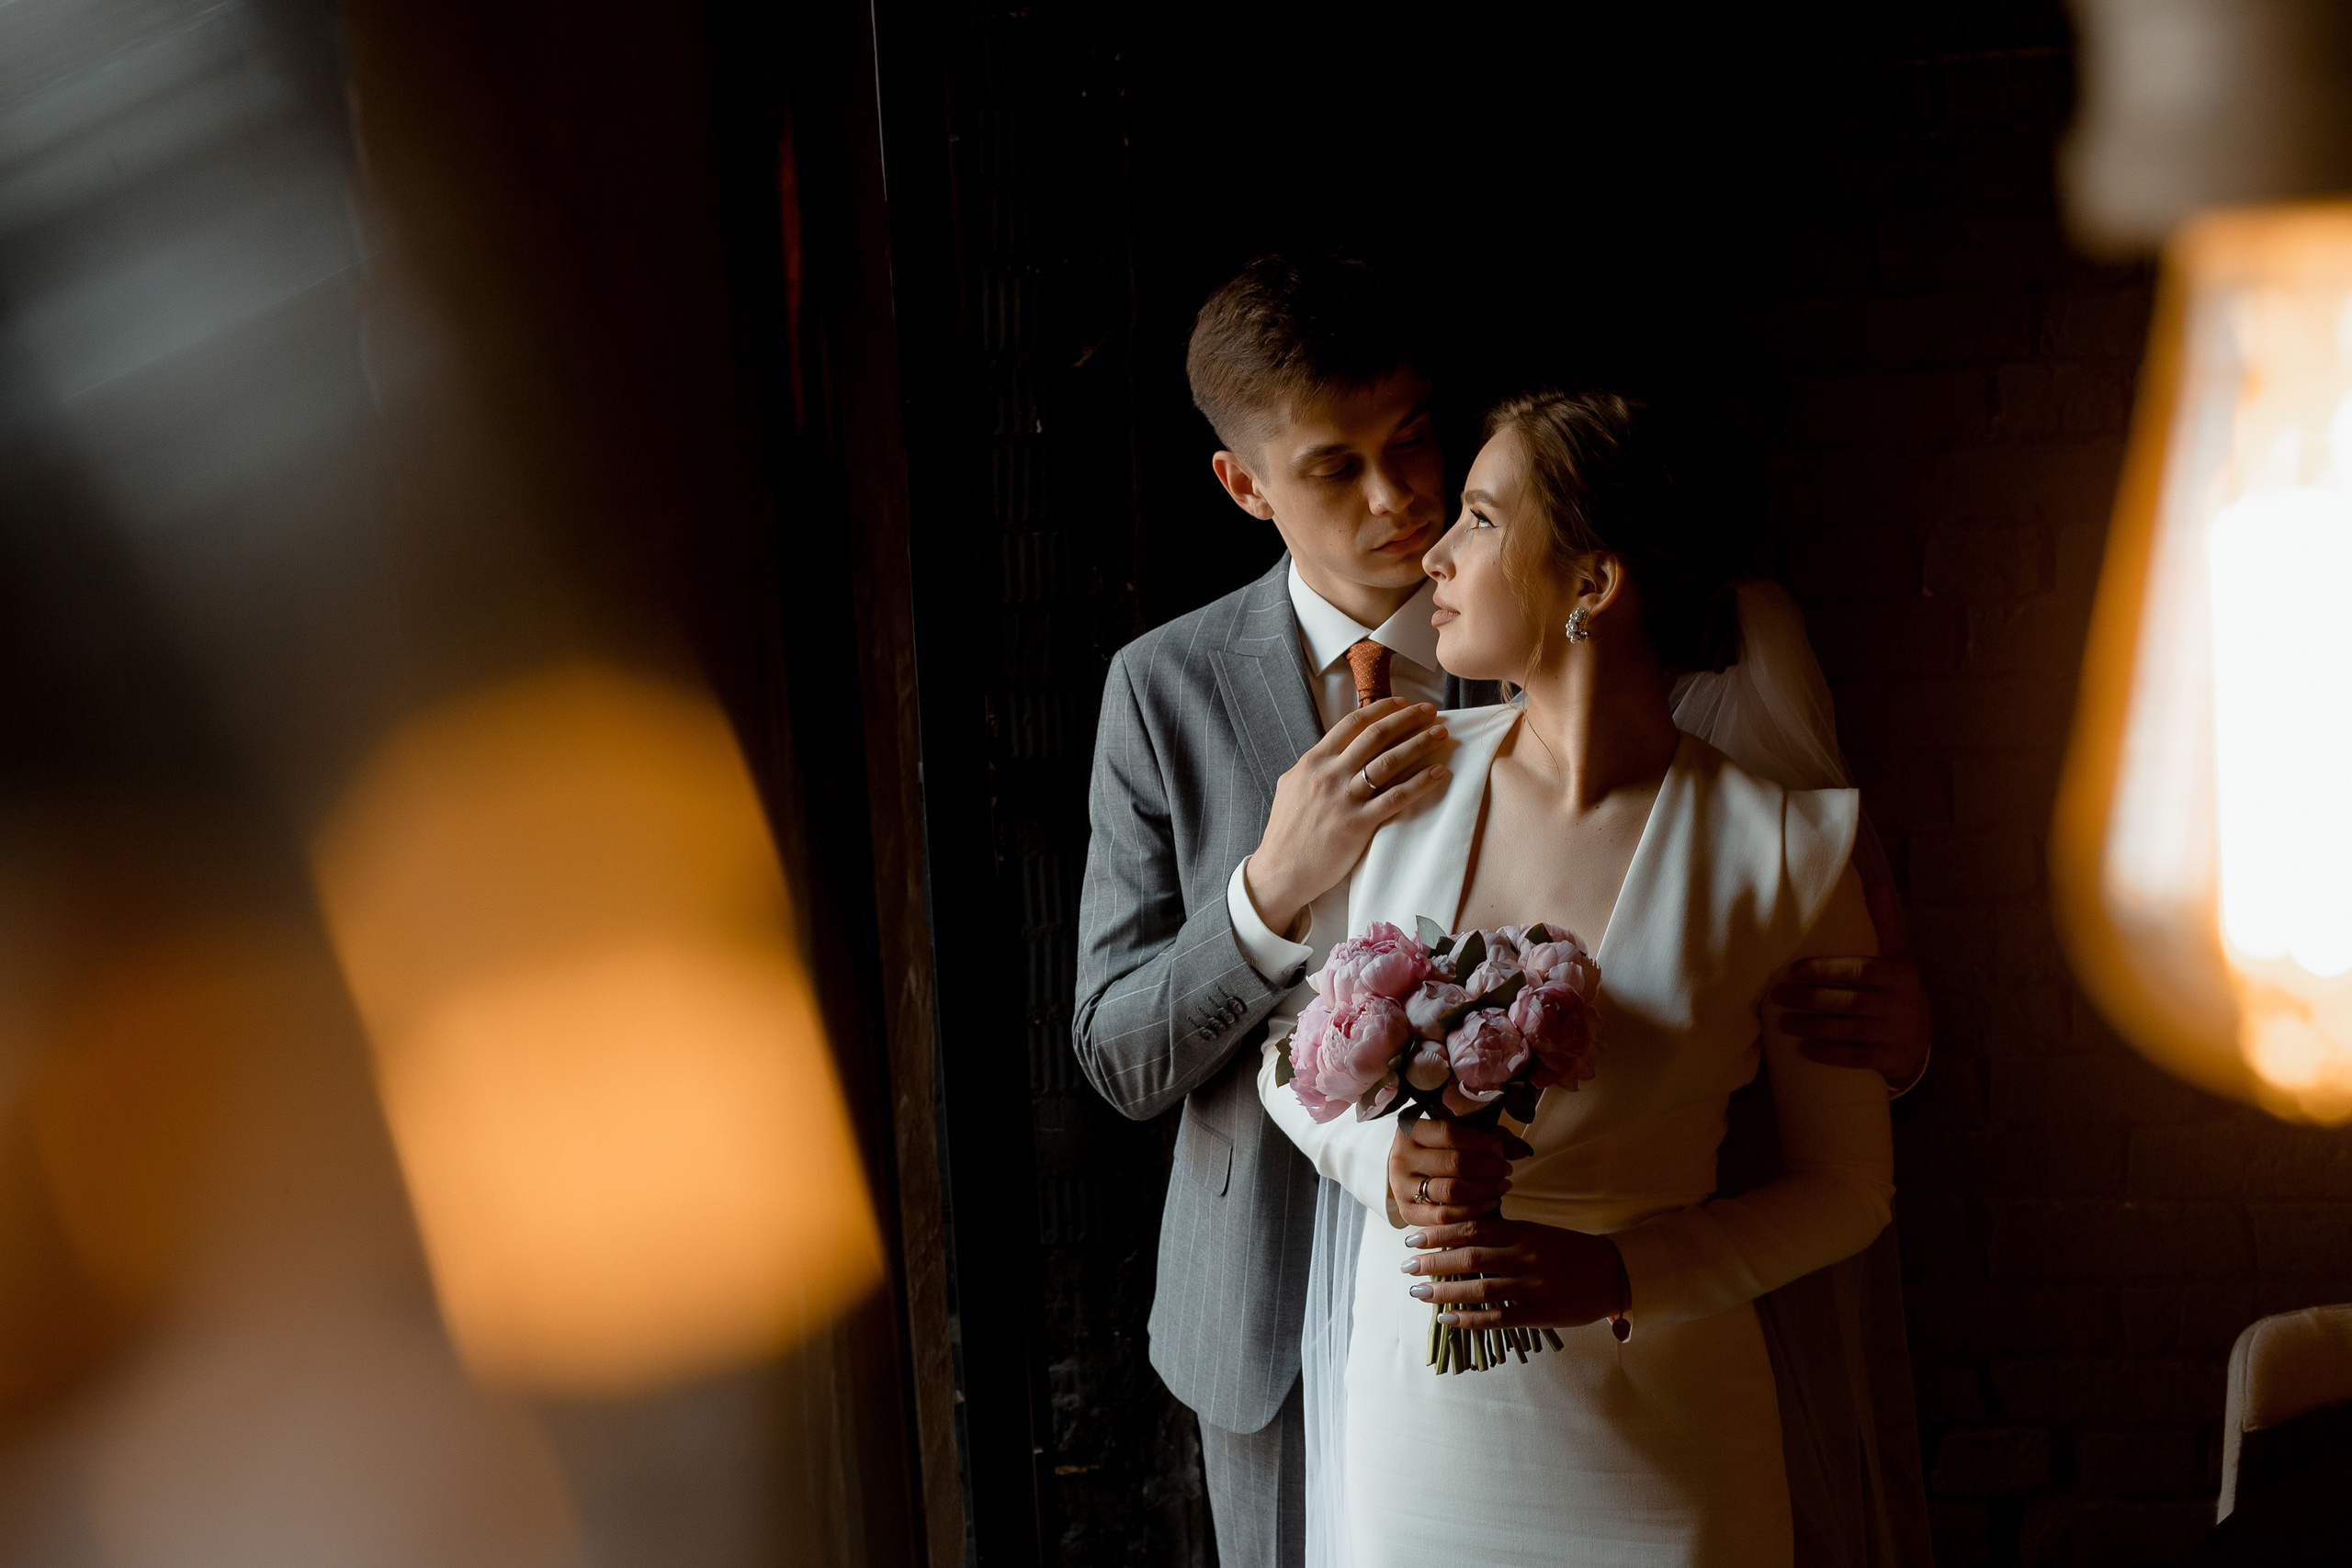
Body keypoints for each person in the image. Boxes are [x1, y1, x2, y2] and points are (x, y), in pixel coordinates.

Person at [1071, 256, 1928, 1568]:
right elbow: (1130, 1045)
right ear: (1244, 487)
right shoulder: (1164, 688)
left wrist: (1884, 1011)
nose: (1408, 504)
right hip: (1271, 1323)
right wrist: (1269, 889)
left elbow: (1759, 958)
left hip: (1636, 1365)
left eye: (1422, 450)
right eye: (1335, 469)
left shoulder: (1606, 679)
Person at [1262, 389, 1892, 1565]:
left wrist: (1616, 1269)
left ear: (1592, 587)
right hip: (1422, 1434)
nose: (1434, 551)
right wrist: (1382, 1158)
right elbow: (1285, 1061)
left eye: (1482, 521)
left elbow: (1848, 1190)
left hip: (1663, 1444)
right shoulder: (1399, 785)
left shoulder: (1786, 855)